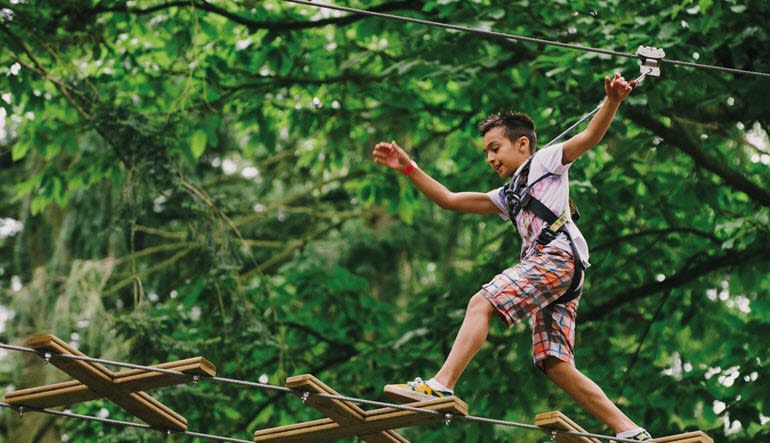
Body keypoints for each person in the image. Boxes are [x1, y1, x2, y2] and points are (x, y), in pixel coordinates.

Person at [371, 73, 652, 441]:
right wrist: (408, 168)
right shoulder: (510, 193)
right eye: (486, 152)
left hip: (557, 257)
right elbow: (451, 200)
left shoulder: (546, 161)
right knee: (553, 361)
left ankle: (442, 384)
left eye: (495, 148)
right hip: (565, 271)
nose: (490, 158)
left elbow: (588, 138)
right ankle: (629, 430)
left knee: (482, 301)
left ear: (522, 144)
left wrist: (612, 101)